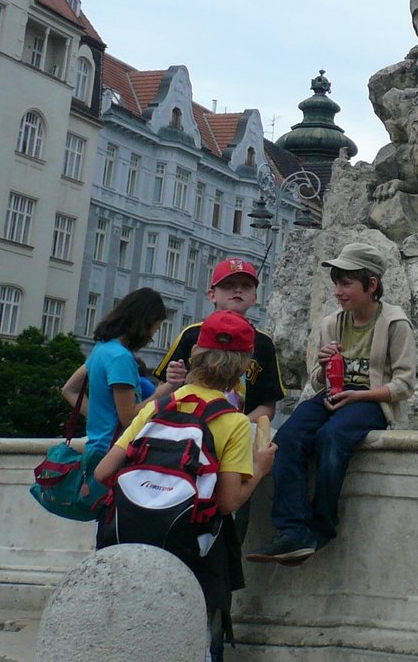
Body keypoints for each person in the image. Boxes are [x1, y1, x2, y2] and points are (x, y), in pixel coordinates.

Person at [94, 310, 276, 662]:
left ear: (194, 355)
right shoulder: (233, 422)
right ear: (243, 366)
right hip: (189, 552)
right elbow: (227, 502)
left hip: (128, 541)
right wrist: (260, 468)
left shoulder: (157, 408)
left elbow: (103, 473)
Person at [249, 242, 416, 563]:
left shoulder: (395, 323)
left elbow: (404, 385)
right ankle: (293, 529)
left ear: (371, 285)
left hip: (371, 401)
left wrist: (360, 395)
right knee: (288, 437)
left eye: (346, 283)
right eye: (337, 283)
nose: (338, 292)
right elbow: (317, 382)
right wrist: (324, 367)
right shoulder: (332, 323)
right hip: (334, 394)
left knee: (332, 437)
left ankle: (322, 525)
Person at [153, 257, 285, 549]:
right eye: (229, 285)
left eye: (245, 286)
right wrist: (172, 383)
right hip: (189, 436)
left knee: (232, 509)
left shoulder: (263, 344)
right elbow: (162, 394)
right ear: (212, 294)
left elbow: (268, 405)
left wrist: (234, 425)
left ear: (255, 296)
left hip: (237, 433)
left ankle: (228, 551)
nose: (237, 290)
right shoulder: (192, 335)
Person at [78, 287, 169, 496]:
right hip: (114, 452)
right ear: (144, 322)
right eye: (154, 329)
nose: (151, 337)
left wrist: (98, 417)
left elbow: (69, 389)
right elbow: (128, 417)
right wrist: (160, 394)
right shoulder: (121, 358)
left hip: (95, 447)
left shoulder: (102, 348)